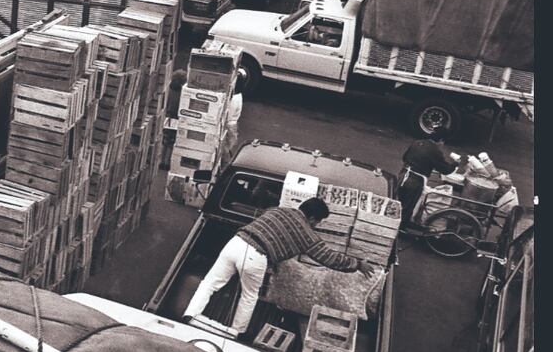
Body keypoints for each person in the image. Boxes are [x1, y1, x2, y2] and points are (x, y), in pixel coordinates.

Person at [184, 198, 375, 335]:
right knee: (249, 296)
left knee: (209, 283)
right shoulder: (307, 234)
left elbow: (270, 227)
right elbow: (329, 258)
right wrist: (357, 264)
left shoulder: (278, 210)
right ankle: (236, 332)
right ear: (311, 219)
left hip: (235, 242)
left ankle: (190, 315)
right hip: (256, 257)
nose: (316, 225)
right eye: (317, 222)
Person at [398, 126, 458, 227]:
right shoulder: (435, 151)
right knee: (407, 208)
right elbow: (445, 170)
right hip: (414, 182)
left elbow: (405, 158)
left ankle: (396, 225)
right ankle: (400, 229)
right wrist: (455, 164)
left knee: (399, 203)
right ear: (441, 140)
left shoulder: (417, 142)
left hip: (403, 175)